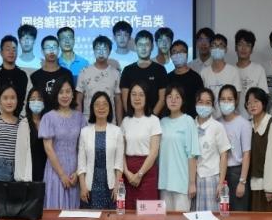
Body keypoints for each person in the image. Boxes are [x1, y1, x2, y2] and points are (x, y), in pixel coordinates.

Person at [39, 76, 87, 209]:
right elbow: (48, 148)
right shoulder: (48, 117)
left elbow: (82, 148)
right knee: (55, 211)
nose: (65, 95)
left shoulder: (80, 117)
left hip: (74, 172)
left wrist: (77, 172)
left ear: (73, 94)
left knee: (73, 214)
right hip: (55, 171)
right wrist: (62, 175)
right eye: (61, 92)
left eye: (68, 91)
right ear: (56, 94)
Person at [77, 92, 124, 209]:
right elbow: (81, 164)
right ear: (92, 108)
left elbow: (119, 164)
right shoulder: (84, 132)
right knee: (90, 218)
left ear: (110, 108)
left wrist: (117, 186)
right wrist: (82, 186)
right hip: (90, 185)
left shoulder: (117, 131)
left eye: (105, 104)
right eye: (97, 104)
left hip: (111, 185)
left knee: (111, 218)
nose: (101, 107)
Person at [158, 85, 200, 211]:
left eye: (177, 97)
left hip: (182, 184)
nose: (173, 100)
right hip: (164, 183)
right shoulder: (162, 122)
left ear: (183, 100)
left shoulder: (188, 121)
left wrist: (192, 183)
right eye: (170, 97)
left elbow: (192, 154)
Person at [121, 81, 162, 210]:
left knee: (148, 214)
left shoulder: (154, 120)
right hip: (128, 173)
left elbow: (154, 152)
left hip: (147, 172)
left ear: (147, 97)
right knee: (128, 213)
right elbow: (121, 151)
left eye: (141, 94)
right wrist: (127, 173)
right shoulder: (125, 121)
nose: (137, 98)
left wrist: (139, 174)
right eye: (133, 94)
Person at [246, 87, 272, 212]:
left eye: (256, 101)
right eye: (249, 103)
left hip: (268, 186)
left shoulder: (271, 125)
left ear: (264, 103)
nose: (252, 105)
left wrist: (269, 188)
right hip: (253, 185)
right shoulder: (248, 125)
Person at [195, 88, 230, 211]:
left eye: (208, 103)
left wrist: (220, 183)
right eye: (200, 102)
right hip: (194, 179)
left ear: (213, 106)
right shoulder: (190, 125)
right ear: (195, 103)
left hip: (212, 178)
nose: (204, 106)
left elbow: (224, 154)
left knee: (212, 217)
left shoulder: (217, 127)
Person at [218, 85, 252, 211]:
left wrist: (242, 182)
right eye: (223, 99)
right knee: (221, 213)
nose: (226, 102)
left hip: (236, 173)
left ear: (236, 101)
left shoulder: (244, 124)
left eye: (229, 99)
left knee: (238, 213)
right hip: (219, 173)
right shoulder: (217, 123)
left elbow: (246, 154)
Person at [76, 35, 123, 124]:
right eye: (98, 49)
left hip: (109, 122)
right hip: (88, 122)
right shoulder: (84, 72)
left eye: (105, 49)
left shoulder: (116, 73)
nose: (101, 52)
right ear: (93, 50)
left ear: (109, 51)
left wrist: (120, 124)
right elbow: (78, 99)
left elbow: (118, 101)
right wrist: (79, 122)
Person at [120, 30, 167, 116]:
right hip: (133, 119)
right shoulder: (127, 70)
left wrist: (150, 118)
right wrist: (134, 118)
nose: (143, 48)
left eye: (147, 45)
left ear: (152, 47)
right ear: (135, 47)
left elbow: (162, 99)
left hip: (154, 119)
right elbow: (125, 99)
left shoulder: (160, 70)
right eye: (140, 45)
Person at [200, 33, 242, 119]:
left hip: (228, 118)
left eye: (221, 45)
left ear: (226, 49)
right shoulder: (203, 72)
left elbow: (236, 98)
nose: (217, 48)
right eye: (214, 45)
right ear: (210, 49)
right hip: (209, 118)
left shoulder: (233, 71)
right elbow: (201, 98)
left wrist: (225, 117)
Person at [0, 35, 28, 117]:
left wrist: (19, 118)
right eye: (8, 49)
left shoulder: (24, 74)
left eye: (14, 49)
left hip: (20, 120)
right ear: (1, 52)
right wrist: (6, 119)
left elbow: (28, 99)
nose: (11, 52)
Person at [14, 88, 48, 182]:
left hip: (47, 169)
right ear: (28, 103)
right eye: (33, 99)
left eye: (39, 99)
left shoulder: (48, 122)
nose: (36, 102)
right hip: (30, 172)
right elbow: (20, 154)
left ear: (44, 102)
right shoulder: (24, 124)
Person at [235, 29, 268, 119]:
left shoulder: (259, 69)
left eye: (248, 45)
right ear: (235, 48)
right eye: (240, 44)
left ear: (252, 49)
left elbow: (263, 97)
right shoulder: (230, 70)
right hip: (235, 119)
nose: (244, 48)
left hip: (254, 119)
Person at [30, 35, 74, 103]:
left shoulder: (67, 74)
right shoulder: (35, 76)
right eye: (48, 48)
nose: (51, 51)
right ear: (42, 51)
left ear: (58, 50)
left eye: (54, 47)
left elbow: (72, 97)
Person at [167, 40, 204, 118]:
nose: (178, 55)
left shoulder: (195, 77)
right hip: (171, 120)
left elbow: (200, 101)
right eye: (174, 52)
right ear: (170, 56)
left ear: (187, 55)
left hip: (191, 120)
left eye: (181, 52)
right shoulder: (167, 78)